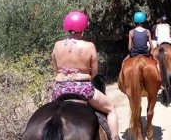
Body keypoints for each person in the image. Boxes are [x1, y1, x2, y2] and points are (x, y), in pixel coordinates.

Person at [51, 11, 120, 140]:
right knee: (111, 109)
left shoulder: (57, 45)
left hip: (59, 89)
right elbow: (94, 73)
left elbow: (55, 69)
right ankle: (115, 138)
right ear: (82, 29)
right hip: (82, 90)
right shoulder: (89, 46)